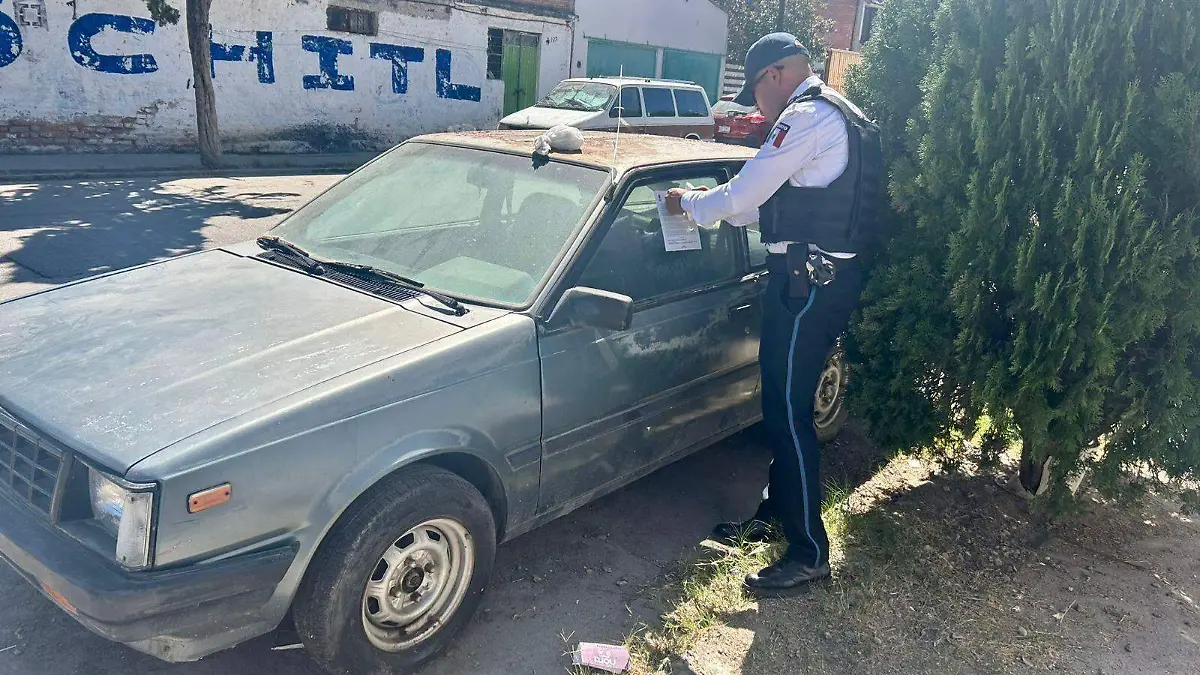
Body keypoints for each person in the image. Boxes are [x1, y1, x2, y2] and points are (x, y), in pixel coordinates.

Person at [665, 33, 879, 594]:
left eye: (755, 93)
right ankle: (778, 514)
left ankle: (809, 550)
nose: (756, 107)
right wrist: (717, 207)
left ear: (776, 76)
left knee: (786, 413)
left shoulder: (804, 118)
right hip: (817, 281)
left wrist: (687, 205)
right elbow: (762, 206)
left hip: (807, 288)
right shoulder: (839, 113)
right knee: (783, 406)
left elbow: (739, 198)